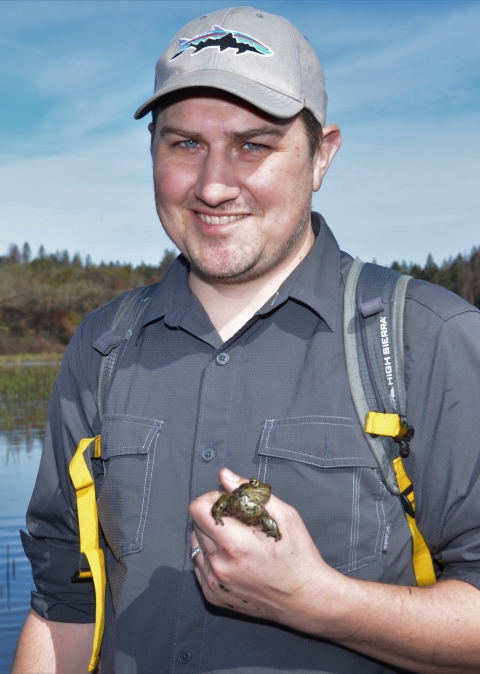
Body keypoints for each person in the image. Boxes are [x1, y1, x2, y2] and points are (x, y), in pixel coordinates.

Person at [12, 6, 480, 674]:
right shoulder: (100, 347)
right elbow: (62, 603)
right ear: (152, 153)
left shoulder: (430, 342)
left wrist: (322, 602)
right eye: (185, 145)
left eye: (252, 145)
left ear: (321, 156)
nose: (213, 185)